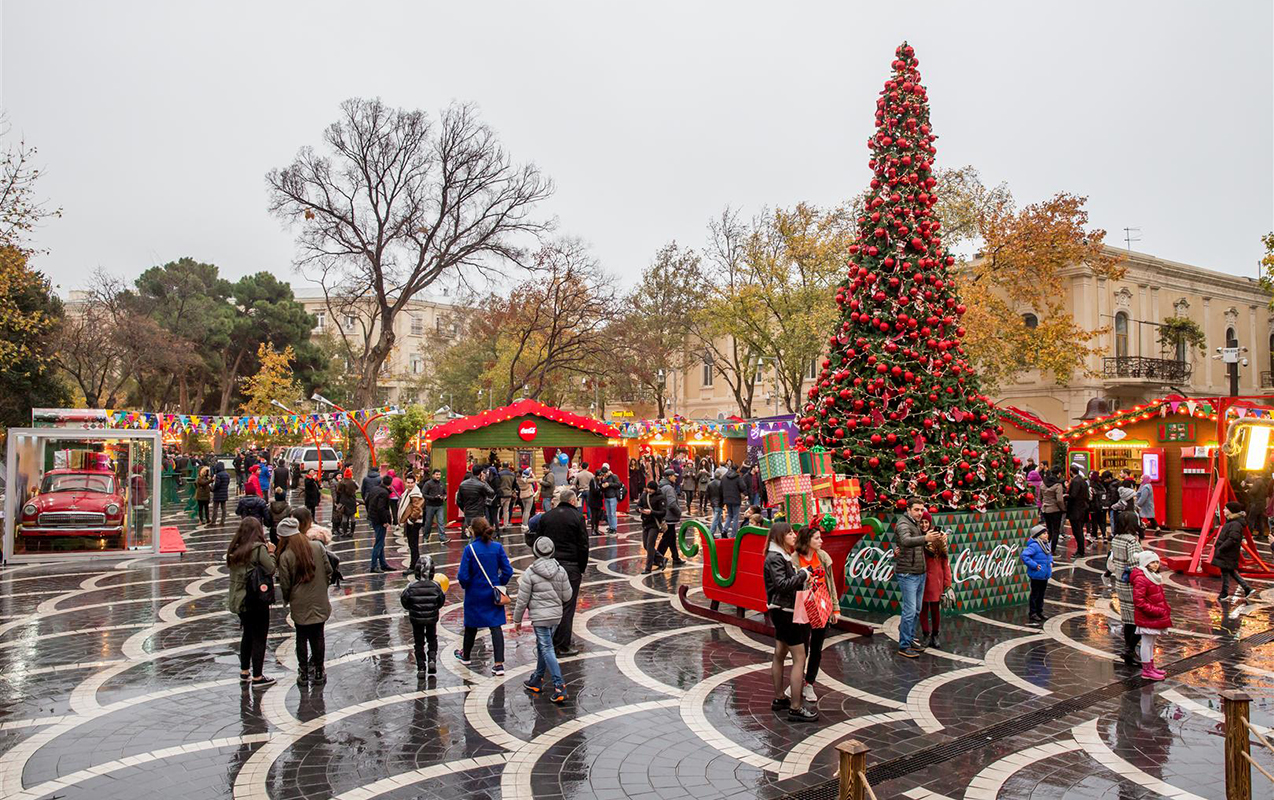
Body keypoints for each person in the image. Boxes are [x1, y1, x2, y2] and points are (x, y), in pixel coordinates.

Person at [763, 522, 816, 722]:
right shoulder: (776, 558)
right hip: (786, 611)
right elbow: (782, 585)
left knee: (780, 652)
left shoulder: (778, 556)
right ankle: (795, 706)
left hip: (780, 610)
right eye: (790, 533)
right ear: (780, 537)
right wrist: (803, 574)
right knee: (799, 658)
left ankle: (779, 698)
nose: (794, 536)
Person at [512, 535, 573, 704]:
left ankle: (559, 685)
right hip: (555, 616)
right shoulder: (560, 570)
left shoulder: (530, 573)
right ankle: (537, 679)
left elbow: (522, 599)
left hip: (539, 617)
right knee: (543, 646)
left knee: (546, 647)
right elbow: (567, 595)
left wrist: (517, 620)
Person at [275, 516, 331, 686]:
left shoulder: (286, 556)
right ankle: (319, 671)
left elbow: (285, 583)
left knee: (301, 637)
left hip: (299, 601)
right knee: (318, 636)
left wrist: (288, 598)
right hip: (319, 598)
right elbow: (328, 569)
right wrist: (322, 586)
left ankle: (304, 673)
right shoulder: (317, 547)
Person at [455, 518, 513, 675]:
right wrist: (499, 583)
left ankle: (466, 655)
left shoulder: (470, 549)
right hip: (493, 593)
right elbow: (508, 570)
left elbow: (463, 576)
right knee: (496, 627)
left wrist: (467, 586)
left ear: (473, 530)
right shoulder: (497, 547)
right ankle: (499, 664)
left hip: (474, 593)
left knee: (471, 626)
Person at [225, 517, 277, 688]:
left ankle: (244, 670)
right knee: (260, 636)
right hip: (256, 598)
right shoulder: (258, 549)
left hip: (239, 599)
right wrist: (271, 552)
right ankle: (258, 676)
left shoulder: (235, 549)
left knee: (247, 633)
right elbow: (270, 569)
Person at [537, 488, 589, 656]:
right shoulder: (577, 517)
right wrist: (581, 567)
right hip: (570, 566)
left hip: (549, 565)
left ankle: (545, 642)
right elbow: (583, 545)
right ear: (573, 501)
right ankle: (561, 645)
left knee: (549, 604)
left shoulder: (547, 516)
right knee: (567, 607)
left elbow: (539, 541)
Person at [794, 525, 837, 703]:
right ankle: (797, 681)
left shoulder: (823, 556)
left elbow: (831, 583)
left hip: (822, 604)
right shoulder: (795, 559)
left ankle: (809, 682)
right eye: (817, 538)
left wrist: (835, 607)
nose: (821, 541)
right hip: (803, 605)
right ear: (807, 541)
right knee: (801, 648)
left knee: (817, 647)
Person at [894, 497, 940, 658]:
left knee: (916, 610)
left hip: (919, 573)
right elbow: (906, 540)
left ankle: (910, 639)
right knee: (910, 610)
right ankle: (904, 645)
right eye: (917, 510)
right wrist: (925, 538)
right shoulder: (903, 523)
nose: (920, 513)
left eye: (922, 510)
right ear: (908, 510)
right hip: (908, 573)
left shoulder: (914, 523)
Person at [400, 554, 447, 678]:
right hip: (431, 618)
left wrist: (412, 608)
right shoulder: (436, 586)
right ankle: (432, 659)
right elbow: (441, 601)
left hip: (416, 619)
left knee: (418, 642)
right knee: (432, 638)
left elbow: (404, 601)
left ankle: (421, 667)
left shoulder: (411, 587)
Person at [1109, 510, 1144, 665]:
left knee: (1128, 618)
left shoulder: (1116, 538)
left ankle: (1128, 648)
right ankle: (1129, 649)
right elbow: (1134, 563)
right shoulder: (1131, 542)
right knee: (1139, 618)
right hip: (1132, 583)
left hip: (1120, 581)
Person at [1131, 550, 1171, 681]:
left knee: (1151, 642)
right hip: (1148, 615)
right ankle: (1147, 670)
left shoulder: (1152, 576)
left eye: (1156, 562)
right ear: (1145, 563)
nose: (1155, 565)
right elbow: (1139, 601)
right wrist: (1156, 610)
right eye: (1152, 562)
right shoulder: (1142, 578)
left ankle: (1151, 667)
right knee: (1147, 643)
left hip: (1154, 615)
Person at [918, 514, 952, 647]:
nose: (924, 525)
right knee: (923, 608)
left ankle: (935, 635)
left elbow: (945, 561)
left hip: (936, 578)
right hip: (921, 577)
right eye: (922, 522)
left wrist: (947, 582)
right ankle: (926, 634)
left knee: (935, 609)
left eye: (926, 522)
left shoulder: (939, 539)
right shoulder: (917, 537)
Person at [1212, 501, 1253, 602]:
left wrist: (1221, 548)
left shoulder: (1235, 524)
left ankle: (1224, 593)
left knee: (1226, 571)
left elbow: (1233, 539)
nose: (1223, 510)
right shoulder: (1233, 522)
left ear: (1231, 511)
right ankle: (1246, 588)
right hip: (1228, 552)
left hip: (1227, 552)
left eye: (1225, 508)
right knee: (1228, 571)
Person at [1020, 523, 1053, 625]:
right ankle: (1033, 612)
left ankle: (1040, 611)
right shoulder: (1035, 545)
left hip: (1045, 574)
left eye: (1046, 533)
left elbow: (1049, 554)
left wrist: (1051, 562)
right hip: (1037, 574)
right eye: (1043, 533)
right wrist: (1034, 565)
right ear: (1038, 535)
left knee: (1041, 594)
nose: (1046, 535)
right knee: (1035, 594)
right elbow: (1024, 556)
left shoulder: (1046, 544)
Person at [637, 480, 668, 574]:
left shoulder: (660, 497)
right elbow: (638, 505)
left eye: (651, 489)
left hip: (654, 524)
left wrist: (651, 512)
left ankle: (648, 568)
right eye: (648, 488)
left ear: (655, 489)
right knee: (646, 545)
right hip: (645, 523)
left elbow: (663, 512)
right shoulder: (644, 495)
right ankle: (662, 558)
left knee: (650, 545)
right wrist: (639, 509)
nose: (649, 490)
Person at [457, 464, 496, 535]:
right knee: (479, 534)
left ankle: (471, 545)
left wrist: (464, 508)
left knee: (472, 533)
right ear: (481, 473)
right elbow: (491, 492)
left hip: (468, 512)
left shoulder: (463, 484)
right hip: (479, 513)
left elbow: (458, 500)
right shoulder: (481, 484)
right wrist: (484, 481)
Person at [365, 473, 393, 573]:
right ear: (390, 484)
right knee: (379, 543)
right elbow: (381, 508)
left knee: (380, 542)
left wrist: (370, 513)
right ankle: (374, 565)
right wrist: (385, 521)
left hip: (373, 518)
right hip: (379, 520)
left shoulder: (374, 489)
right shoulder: (384, 493)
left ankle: (383, 563)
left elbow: (367, 501)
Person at [658, 469, 685, 566]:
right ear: (669, 477)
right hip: (669, 517)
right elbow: (672, 504)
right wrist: (679, 512)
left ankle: (675, 557)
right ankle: (658, 558)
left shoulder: (661, 486)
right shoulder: (669, 488)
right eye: (674, 476)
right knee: (666, 538)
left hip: (665, 516)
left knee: (671, 538)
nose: (676, 477)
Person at [399, 474, 425, 575]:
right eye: (408, 483)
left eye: (412, 483)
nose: (410, 485)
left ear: (415, 482)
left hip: (414, 523)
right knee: (412, 544)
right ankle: (415, 565)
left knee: (413, 545)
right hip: (412, 522)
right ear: (405, 482)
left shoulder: (415, 494)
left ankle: (413, 566)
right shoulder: (409, 492)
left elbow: (417, 508)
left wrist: (411, 519)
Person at [1040, 468, 1065, 556]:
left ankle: (1046, 547)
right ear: (1058, 474)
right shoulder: (1058, 485)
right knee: (1055, 531)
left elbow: (1040, 497)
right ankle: (1052, 550)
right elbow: (1059, 500)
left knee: (1049, 529)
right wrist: (1063, 508)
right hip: (1055, 510)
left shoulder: (1043, 483)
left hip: (1045, 509)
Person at [1065, 467, 1090, 558]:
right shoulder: (1083, 481)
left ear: (1071, 471)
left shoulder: (1075, 482)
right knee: (1079, 530)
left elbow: (1073, 495)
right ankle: (1081, 550)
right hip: (1083, 509)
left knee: (1077, 531)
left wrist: (1066, 496)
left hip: (1076, 510)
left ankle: (1080, 551)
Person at [421, 468, 449, 545]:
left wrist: (444, 497)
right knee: (428, 523)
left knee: (441, 522)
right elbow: (423, 494)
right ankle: (426, 537)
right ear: (433, 475)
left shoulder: (441, 483)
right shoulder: (428, 484)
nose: (438, 476)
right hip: (430, 506)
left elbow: (445, 493)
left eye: (439, 474)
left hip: (440, 505)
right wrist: (433, 497)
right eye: (436, 474)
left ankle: (442, 538)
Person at [720, 464, 747, 536]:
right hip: (736, 499)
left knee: (729, 515)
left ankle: (724, 530)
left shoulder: (724, 477)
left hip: (727, 499)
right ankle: (734, 534)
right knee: (735, 517)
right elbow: (743, 487)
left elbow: (721, 487)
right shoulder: (738, 477)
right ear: (737, 469)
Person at [332, 468, 359, 539]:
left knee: (344, 516)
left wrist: (337, 502)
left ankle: (344, 532)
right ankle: (352, 532)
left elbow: (338, 493)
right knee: (352, 517)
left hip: (343, 501)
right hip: (352, 501)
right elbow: (357, 487)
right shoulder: (353, 482)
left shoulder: (341, 482)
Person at [598, 464, 623, 533]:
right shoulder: (603, 478)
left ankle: (614, 528)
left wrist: (609, 484)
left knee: (612, 513)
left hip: (613, 497)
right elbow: (601, 488)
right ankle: (610, 527)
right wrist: (602, 484)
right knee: (608, 513)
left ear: (608, 472)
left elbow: (618, 484)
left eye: (605, 474)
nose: (604, 476)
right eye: (603, 474)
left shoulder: (614, 476)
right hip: (606, 497)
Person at [1245, 474, 1269, 539]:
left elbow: (1253, 491)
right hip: (1262, 503)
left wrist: (1248, 491)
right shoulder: (1262, 481)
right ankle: (1261, 534)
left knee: (1251, 519)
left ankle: (1249, 534)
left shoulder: (1257, 481)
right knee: (1260, 519)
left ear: (1255, 475)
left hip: (1256, 503)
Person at [1088, 471, 1109, 542]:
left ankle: (1094, 535)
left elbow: (1090, 497)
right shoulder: (1102, 485)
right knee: (1102, 521)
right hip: (1102, 505)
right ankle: (1104, 535)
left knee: (1094, 521)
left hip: (1094, 506)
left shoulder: (1091, 486)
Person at [497, 462, 517, 530]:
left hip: (501, 494)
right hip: (509, 494)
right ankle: (505, 525)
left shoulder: (499, 474)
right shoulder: (512, 474)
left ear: (502, 466)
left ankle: (497, 524)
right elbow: (514, 485)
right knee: (506, 510)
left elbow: (497, 484)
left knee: (498, 510)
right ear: (508, 466)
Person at [586, 470, 605, 536]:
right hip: (593, 500)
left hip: (599, 500)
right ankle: (593, 529)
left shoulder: (601, 480)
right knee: (593, 515)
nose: (600, 477)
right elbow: (594, 491)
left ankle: (597, 528)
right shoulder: (593, 481)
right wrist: (601, 488)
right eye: (599, 476)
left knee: (598, 516)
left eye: (601, 476)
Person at [211, 462, 230, 526]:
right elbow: (227, 483)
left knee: (215, 508)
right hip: (224, 493)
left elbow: (217, 484)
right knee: (223, 508)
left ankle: (213, 521)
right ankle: (222, 521)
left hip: (218, 493)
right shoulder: (227, 474)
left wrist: (212, 489)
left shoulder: (218, 475)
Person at [707, 468, 725, 535]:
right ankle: (711, 532)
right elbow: (722, 494)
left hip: (713, 502)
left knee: (718, 517)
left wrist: (710, 500)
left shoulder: (710, 484)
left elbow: (707, 494)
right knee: (716, 517)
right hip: (719, 502)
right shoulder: (721, 484)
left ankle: (722, 531)